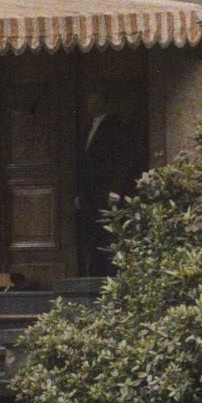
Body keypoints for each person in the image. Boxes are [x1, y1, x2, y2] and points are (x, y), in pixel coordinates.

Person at [74, 92, 143, 279]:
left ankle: (110, 277)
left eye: (95, 101)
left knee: (109, 234)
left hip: (108, 193)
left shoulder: (117, 127)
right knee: (91, 235)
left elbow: (122, 161)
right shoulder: (87, 129)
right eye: (89, 102)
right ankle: (93, 276)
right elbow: (83, 163)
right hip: (90, 194)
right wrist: (80, 193)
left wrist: (116, 189)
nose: (91, 106)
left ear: (104, 103)